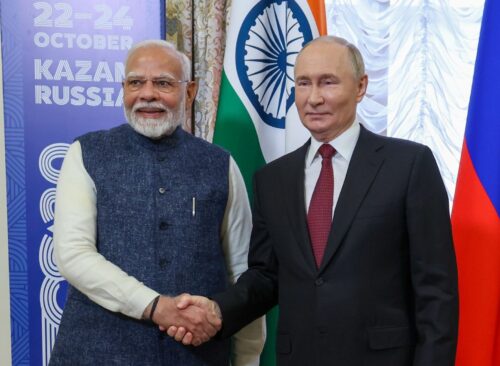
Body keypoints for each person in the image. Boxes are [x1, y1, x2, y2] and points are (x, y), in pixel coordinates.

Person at [170, 35, 459, 366]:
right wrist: (218, 310)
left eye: (328, 82)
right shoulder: (272, 179)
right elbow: (267, 276)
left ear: (361, 87)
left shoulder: (409, 165)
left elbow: (437, 292)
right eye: (303, 84)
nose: (314, 98)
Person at [49, 39, 264, 366]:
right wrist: (154, 306)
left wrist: (248, 359)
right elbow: (73, 255)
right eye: (136, 82)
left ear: (189, 92)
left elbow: (241, 271)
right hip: (95, 354)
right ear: (123, 88)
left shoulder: (220, 164)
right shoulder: (85, 153)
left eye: (163, 83)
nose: (147, 94)